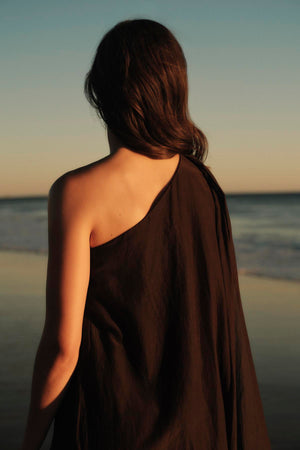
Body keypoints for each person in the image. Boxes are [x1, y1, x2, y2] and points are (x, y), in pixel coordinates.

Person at [21, 18, 271, 450]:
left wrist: (28, 441)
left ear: (102, 93)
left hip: (110, 428)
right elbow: (218, 330)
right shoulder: (205, 187)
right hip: (202, 432)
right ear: (174, 90)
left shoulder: (76, 193)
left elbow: (63, 348)